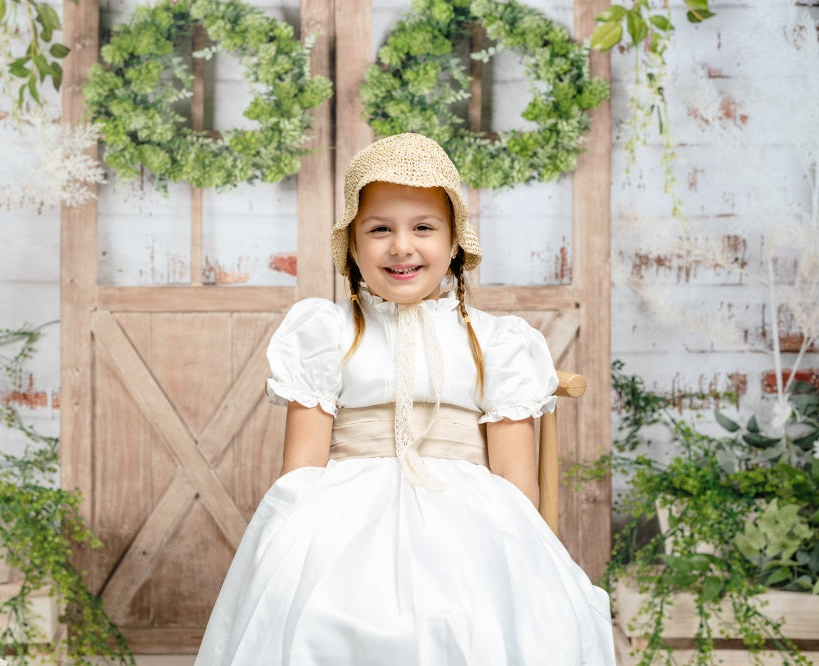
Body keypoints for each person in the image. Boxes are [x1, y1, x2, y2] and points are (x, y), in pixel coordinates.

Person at [195, 133, 615, 665]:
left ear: (455, 241)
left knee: (473, 615)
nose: (401, 246)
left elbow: (515, 484)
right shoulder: (328, 332)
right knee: (326, 614)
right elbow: (300, 471)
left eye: (423, 228)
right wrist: (281, 560)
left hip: (469, 523)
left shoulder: (496, 343)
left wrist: (528, 567)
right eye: (379, 229)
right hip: (345, 521)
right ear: (351, 244)